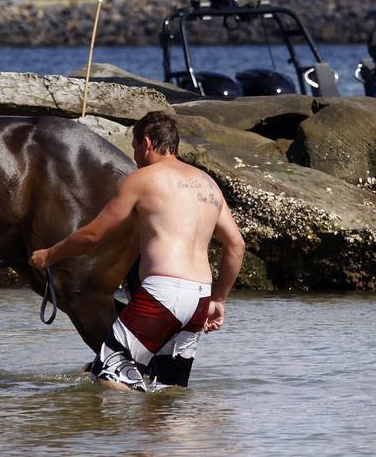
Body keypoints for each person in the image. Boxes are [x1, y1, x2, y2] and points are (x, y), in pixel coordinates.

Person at [29, 111, 246, 391]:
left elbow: (93, 235)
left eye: (133, 147)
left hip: (163, 294)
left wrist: (49, 255)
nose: (134, 156)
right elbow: (236, 245)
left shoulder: (142, 179)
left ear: (145, 143)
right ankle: (162, 436)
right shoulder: (208, 183)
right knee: (167, 389)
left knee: (108, 377)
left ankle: (124, 434)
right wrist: (219, 299)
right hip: (199, 299)